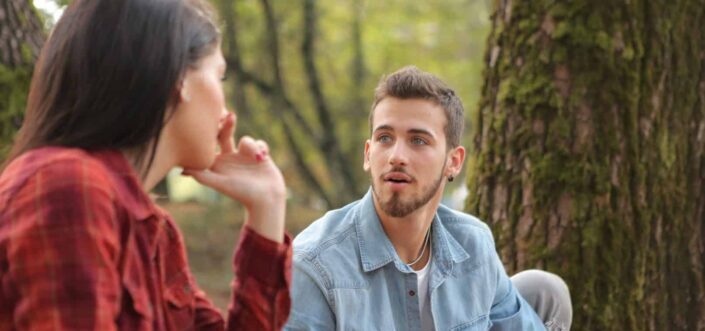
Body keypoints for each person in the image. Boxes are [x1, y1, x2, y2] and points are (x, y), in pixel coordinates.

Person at [0, 0, 291, 330]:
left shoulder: (154, 234)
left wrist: (267, 204)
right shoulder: (67, 187)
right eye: (219, 76)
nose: (227, 113)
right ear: (179, 78)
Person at [285, 66, 572, 330]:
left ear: (454, 162)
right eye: (385, 138)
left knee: (545, 291)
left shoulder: (474, 243)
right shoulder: (313, 265)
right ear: (368, 153)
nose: (396, 156)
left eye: (418, 141)